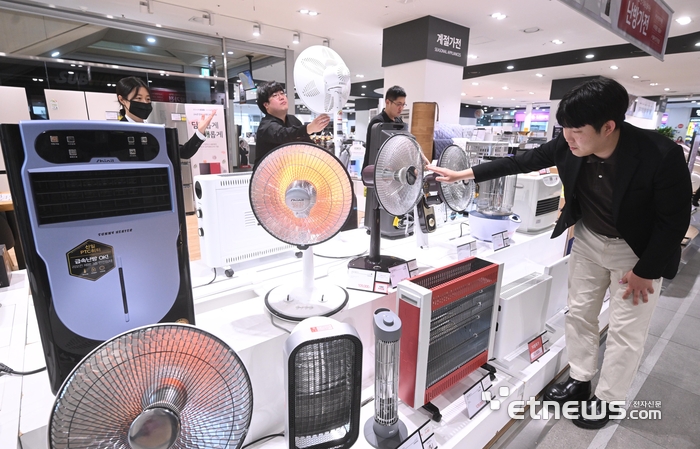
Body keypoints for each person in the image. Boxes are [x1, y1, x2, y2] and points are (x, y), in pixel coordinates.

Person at [428, 77, 691, 429]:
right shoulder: (568, 144)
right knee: (579, 313)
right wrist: (462, 173)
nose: (567, 138)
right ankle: (580, 379)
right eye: (564, 129)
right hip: (588, 240)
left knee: (627, 329)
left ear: (608, 127)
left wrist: (647, 270)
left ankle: (609, 399)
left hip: (636, 252)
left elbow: (674, 221)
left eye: (577, 131)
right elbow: (521, 162)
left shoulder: (660, 154)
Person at [116, 76, 216, 159]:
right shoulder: (116, 133)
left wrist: (200, 132)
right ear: (122, 100)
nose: (145, 103)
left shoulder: (156, 131)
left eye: (148, 99)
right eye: (138, 98)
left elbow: (183, 153)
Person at [254, 81, 330, 162]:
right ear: (266, 105)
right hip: (267, 169)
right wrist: (309, 128)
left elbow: (307, 143)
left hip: (291, 168)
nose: (281, 97)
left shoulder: (293, 120)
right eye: (275, 95)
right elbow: (284, 134)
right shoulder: (266, 126)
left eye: (282, 93)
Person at [362, 85, 406, 169]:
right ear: (387, 102)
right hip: (374, 169)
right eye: (398, 104)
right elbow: (375, 151)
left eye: (403, 105)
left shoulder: (399, 121)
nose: (401, 108)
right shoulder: (377, 122)